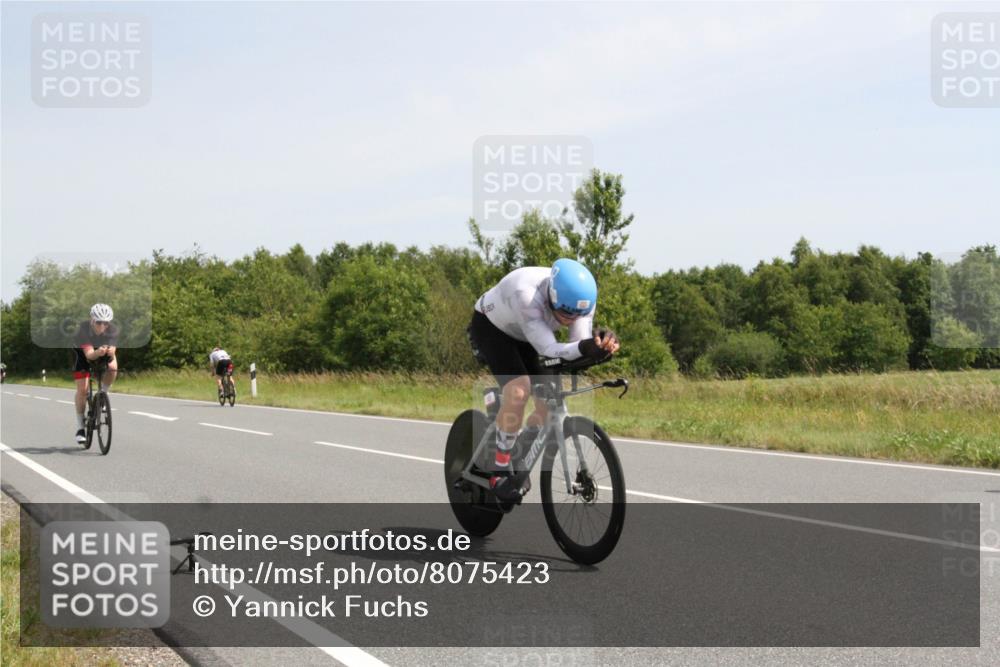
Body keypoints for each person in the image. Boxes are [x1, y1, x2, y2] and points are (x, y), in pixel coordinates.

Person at [467, 258, 620, 502]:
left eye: (577, 315)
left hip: (528, 333)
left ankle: (518, 457)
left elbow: (576, 345)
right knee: (519, 390)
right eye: (565, 313)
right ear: (552, 296)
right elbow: (549, 349)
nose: (570, 319)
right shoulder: (526, 295)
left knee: (548, 404)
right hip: (493, 328)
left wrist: (600, 347)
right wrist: (585, 348)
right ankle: (499, 471)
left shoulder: (579, 301)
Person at [72, 303, 118, 444]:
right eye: (99, 322)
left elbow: (113, 351)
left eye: (106, 323)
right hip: (83, 355)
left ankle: (103, 393)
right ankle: (80, 428)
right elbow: (89, 355)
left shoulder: (113, 330)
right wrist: (98, 352)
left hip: (100, 351)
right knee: (83, 390)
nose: (102, 326)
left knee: (112, 367)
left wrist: (110, 351)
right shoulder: (82, 330)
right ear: (92, 320)